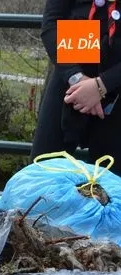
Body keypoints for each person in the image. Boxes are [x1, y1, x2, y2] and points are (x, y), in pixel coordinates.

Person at [33, 0, 121, 163]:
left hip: (115, 76)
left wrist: (102, 85)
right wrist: (75, 76)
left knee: (112, 177)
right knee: (43, 166)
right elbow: (51, 23)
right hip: (72, 64)